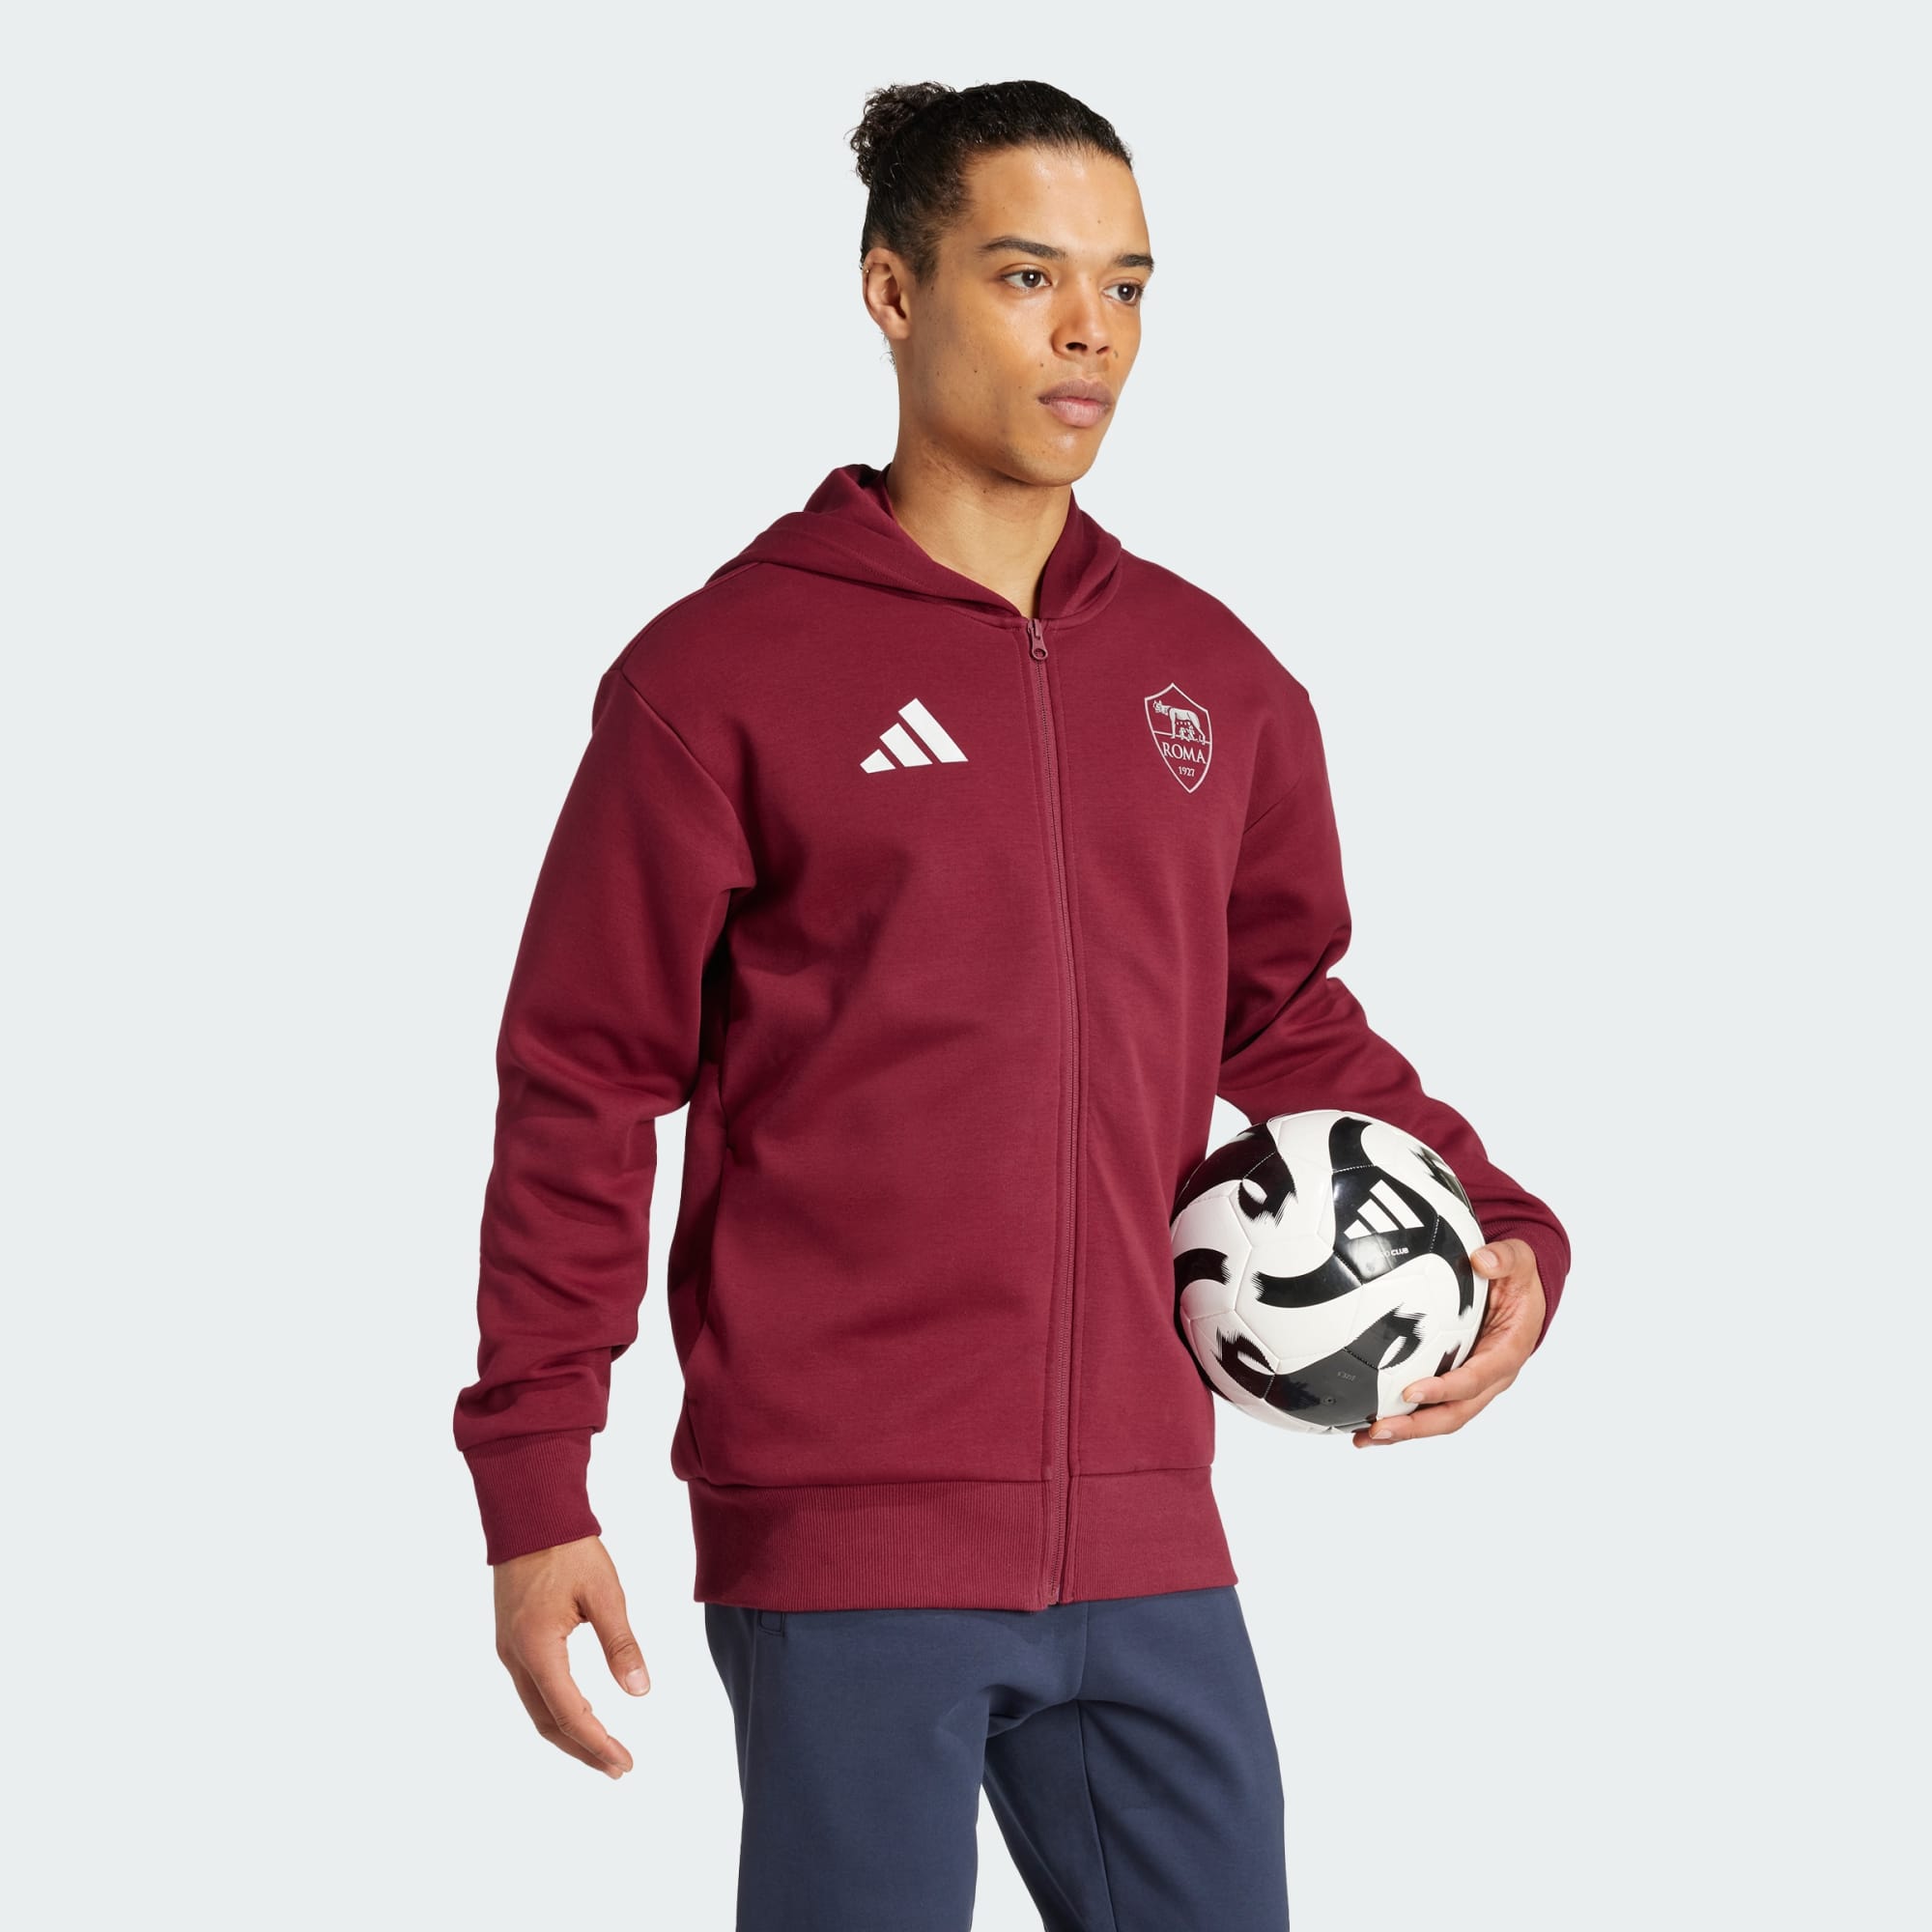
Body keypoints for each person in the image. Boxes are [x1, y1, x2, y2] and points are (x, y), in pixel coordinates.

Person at [452, 77, 1571, 1930]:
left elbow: (1281, 1012)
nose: (1090, 334)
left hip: (1148, 1527)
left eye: (1128, 286)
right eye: (1030, 275)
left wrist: (1499, 1216)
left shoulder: (1216, 679)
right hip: (843, 1533)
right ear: (893, 291)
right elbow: (583, 1077)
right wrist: (533, 1480)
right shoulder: (720, 675)